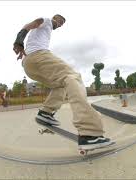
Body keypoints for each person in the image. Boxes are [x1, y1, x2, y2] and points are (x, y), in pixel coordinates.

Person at [13, 14, 112, 150]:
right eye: (59, 21)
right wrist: (19, 41)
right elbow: (28, 26)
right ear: (54, 18)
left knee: (61, 83)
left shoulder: (45, 31)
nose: (59, 25)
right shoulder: (46, 21)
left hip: (28, 64)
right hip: (39, 56)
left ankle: (46, 113)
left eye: (62, 24)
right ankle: (89, 133)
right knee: (73, 77)